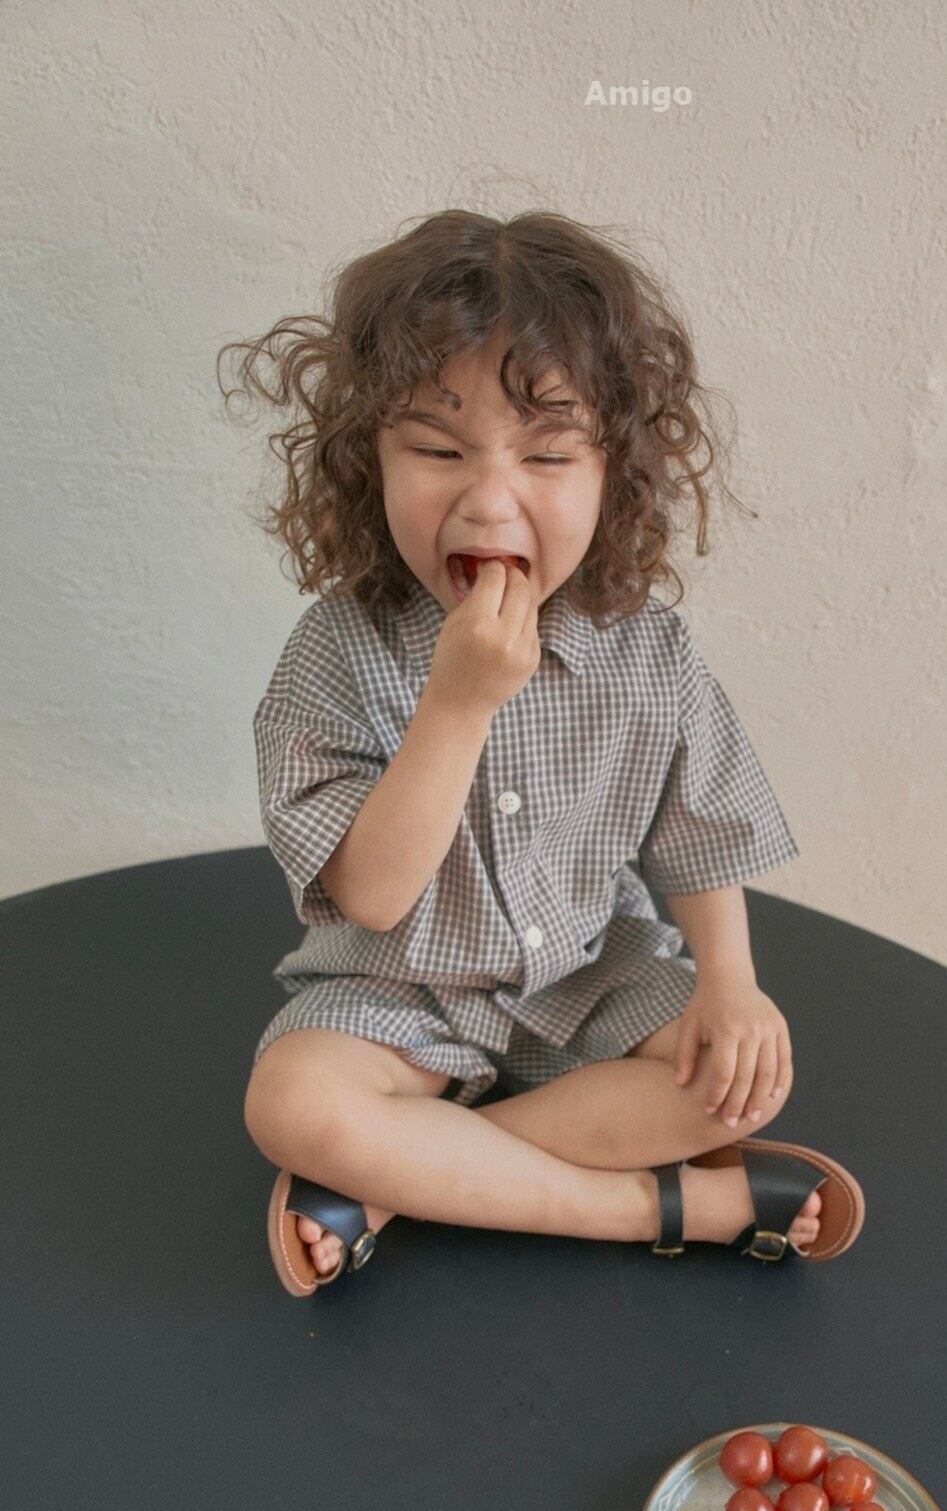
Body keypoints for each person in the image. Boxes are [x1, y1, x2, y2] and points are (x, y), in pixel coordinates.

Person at [220, 208, 865, 1296]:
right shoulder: (336, 650)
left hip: (589, 975)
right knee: (292, 1106)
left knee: (736, 1081)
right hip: (397, 999)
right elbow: (372, 896)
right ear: (367, 461)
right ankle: (653, 1210)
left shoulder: (646, 648)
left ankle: (404, 1180)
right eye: (437, 449)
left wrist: (731, 984)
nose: (489, 499)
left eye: (549, 455)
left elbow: (703, 829)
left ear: (615, 474)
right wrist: (455, 704)